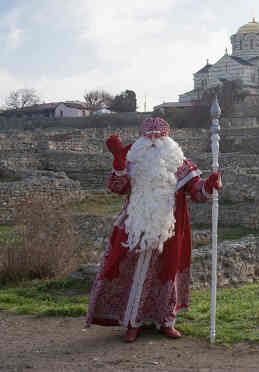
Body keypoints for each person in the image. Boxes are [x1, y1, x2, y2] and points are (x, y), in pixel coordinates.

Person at [85, 117, 221, 342]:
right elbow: (117, 187)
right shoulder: (132, 161)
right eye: (150, 135)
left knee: (166, 274)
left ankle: (165, 321)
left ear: (168, 138)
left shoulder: (180, 164)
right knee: (129, 273)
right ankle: (131, 323)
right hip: (134, 228)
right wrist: (118, 164)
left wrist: (208, 184)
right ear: (142, 137)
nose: (154, 140)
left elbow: (197, 192)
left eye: (160, 135)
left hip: (169, 230)